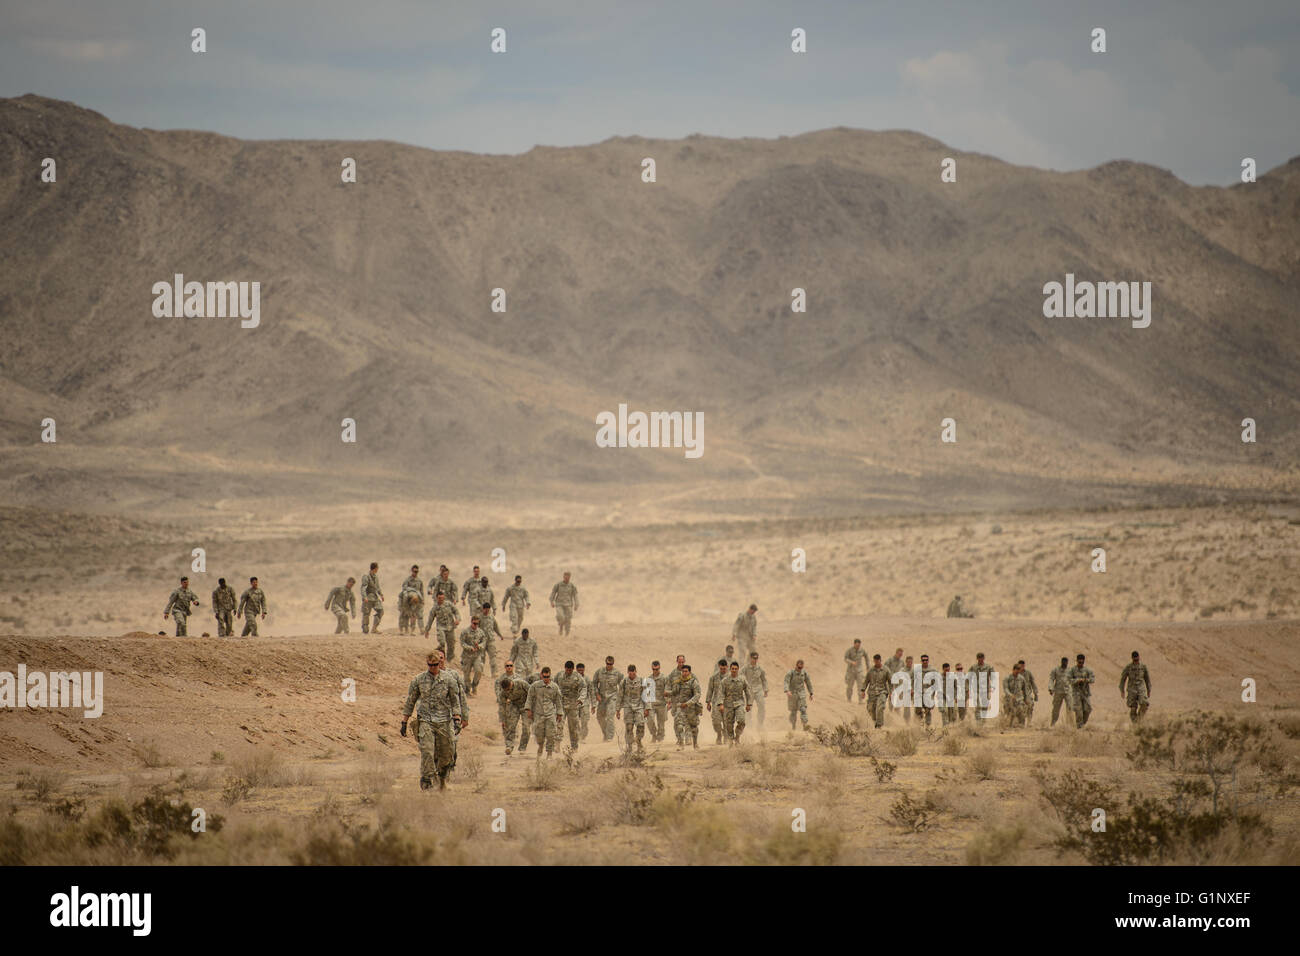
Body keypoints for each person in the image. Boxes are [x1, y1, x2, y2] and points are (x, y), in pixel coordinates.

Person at [400, 652, 467, 791]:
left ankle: (442, 779)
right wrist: (404, 722)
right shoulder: (419, 680)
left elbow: (456, 701)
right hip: (426, 720)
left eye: (435, 665)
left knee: (447, 754)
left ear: (439, 663)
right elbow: (410, 701)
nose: (433, 668)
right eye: (430, 665)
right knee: (427, 751)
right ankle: (427, 780)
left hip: (444, 720)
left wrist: (457, 718)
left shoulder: (449, 679)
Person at [525, 667, 564, 757]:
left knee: (551, 735)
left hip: (550, 714)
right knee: (539, 734)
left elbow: (558, 701)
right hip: (538, 714)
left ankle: (549, 753)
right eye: (544, 676)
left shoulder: (554, 687)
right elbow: (529, 698)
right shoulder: (535, 686)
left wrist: (559, 713)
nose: (546, 679)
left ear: (550, 676)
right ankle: (540, 746)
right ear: (541, 676)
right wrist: (528, 709)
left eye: (548, 677)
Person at [617, 664, 651, 752]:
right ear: (628, 672)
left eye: (633, 672)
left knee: (640, 725)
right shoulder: (624, 682)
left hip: (639, 706)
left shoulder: (642, 681)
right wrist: (617, 710)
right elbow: (620, 696)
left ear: (636, 671)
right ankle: (629, 746)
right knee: (629, 727)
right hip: (628, 706)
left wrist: (647, 708)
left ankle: (639, 741)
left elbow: (646, 695)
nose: (631, 674)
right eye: (630, 672)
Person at [720, 661, 753, 745]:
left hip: (739, 703)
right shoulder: (725, 681)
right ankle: (731, 739)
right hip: (728, 705)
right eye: (732, 669)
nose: (734, 670)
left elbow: (747, 691)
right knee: (729, 724)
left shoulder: (742, 679)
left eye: (735, 669)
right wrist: (721, 704)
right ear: (730, 669)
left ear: (738, 669)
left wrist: (749, 704)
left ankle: (737, 736)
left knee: (742, 721)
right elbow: (721, 693)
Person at [1119, 651, 1151, 723]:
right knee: (1133, 708)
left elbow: (1147, 679)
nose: (1136, 661)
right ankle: (1135, 724)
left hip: (1141, 689)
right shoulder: (1128, 667)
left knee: (1144, 704)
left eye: (1137, 660)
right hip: (1132, 690)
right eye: (1134, 660)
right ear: (1132, 659)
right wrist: (1122, 691)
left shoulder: (1143, 667)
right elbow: (1122, 679)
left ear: (1139, 658)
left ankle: (1139, 720)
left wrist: (1149, 690)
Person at [741, 651, 768, 733]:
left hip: (758, 689)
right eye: (753, 658)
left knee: (762, 706)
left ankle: (760, 724)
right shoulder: (745, 668)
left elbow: (764, 680)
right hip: (749, 690)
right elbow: (740, 676)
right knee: (748, 709)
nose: (755, 660)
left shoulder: (760, 669)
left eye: (756, 658)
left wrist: (766, 690)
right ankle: (749, 725)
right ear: (750, 658)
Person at [784, 659, 814, 732]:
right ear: (796, 666)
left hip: (801, 694)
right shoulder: (790, 673)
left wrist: (811, 693)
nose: (800, 669)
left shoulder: (804, 673)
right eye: (799, 667)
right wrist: (787, 691)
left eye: (801, 667)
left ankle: (805, 726)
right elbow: (786, 682)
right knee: (793, 712)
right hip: (792, 694)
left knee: (803, 709)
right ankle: (793, 727)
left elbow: (808, 683)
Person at [1068, 654, 1096, 728]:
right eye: (1079, 662)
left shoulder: (1087, 670)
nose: (1080, 664)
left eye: (1082, 662)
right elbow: (1069, 680)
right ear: (1076, 661)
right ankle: (1079, 727)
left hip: (1085, 693)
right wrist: (1077, 680)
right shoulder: (1072, 670)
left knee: (1087, 710)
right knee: (1079, 711)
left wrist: (1086, 680)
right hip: (1076, 693)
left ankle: (1082, 724)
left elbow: (1093, 679)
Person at [549, 572, 579, 637]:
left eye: (568, 576)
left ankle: (567, 633)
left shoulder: (572, 586)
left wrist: (576, 604)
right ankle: (561, 627)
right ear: (563, 576)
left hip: (568, 604)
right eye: (565, 576)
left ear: (570, 577)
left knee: (568, 619)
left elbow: (575, 595)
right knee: (561, 617)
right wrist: (551, 601)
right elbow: (553, 593)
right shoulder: (558, 585)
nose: (566, 578)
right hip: (559, 604)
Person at [1048, 657, 1073, 726]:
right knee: (1056, 709)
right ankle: (1053, 723)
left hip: (1068, 692)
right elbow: (1051, 679)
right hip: (1058, 692)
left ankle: (1070, 725)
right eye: (1063, 662)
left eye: (1066, 662)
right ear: (1061, 662)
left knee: (1070, 708)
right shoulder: (1056, 670)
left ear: (1067, 663)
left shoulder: (1070, 671)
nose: (1064, 663)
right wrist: (1051, 688)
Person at [361, 563, 384, 634]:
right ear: (375, 568)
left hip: (375, 597)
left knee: (381, 611)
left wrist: (381, 594)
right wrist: (364, 597)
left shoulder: (375, 577)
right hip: (368, 598)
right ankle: (365, 628)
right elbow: (363, 588)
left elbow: (377, 587)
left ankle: (374, 628)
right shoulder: (366, 577)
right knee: (366, 614)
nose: (378, 570)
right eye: (377, 568)